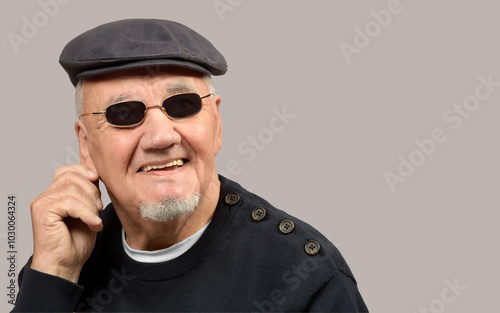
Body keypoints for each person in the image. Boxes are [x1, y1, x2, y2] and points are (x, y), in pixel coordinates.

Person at [12, 19, 368, 312]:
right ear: (86, 145)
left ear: (216, 123)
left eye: (182, 105)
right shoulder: (61, 264)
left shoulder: (303, 276)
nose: (161, 137)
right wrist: (53, 275)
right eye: (124, 114)